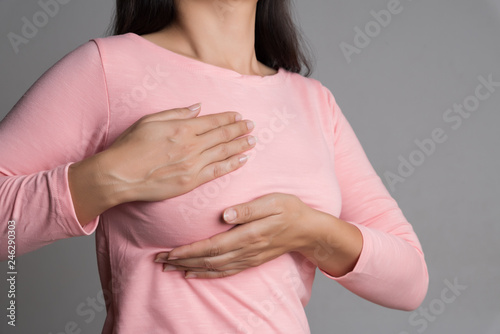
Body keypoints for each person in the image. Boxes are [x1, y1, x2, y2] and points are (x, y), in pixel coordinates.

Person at [0, 0, 429, 333]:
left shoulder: (313, 103)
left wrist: (309, 230)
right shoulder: (108, 70)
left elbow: (410, 280)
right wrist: (107, 178)